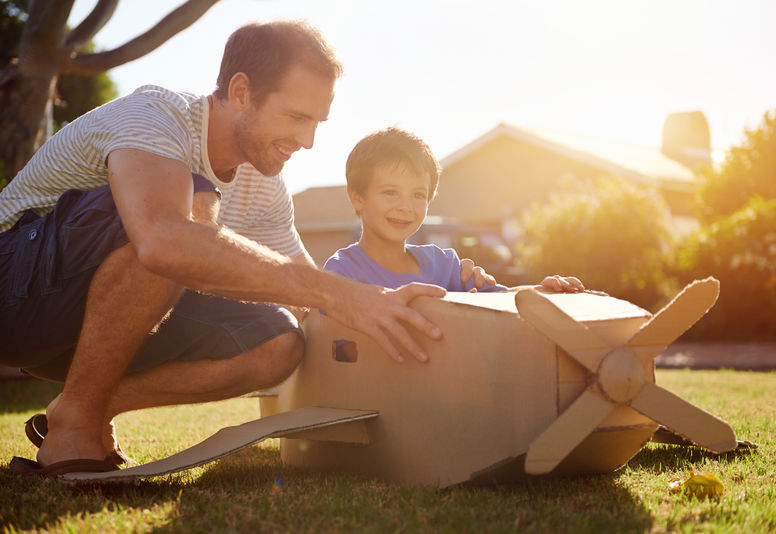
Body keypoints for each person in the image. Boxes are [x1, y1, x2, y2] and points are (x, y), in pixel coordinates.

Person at [0, 22, 485, 477]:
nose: (308, 140)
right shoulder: (156, 117)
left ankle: (84, 406)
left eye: (317, 121)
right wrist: (338, 294)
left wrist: (391, 315)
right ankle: (76, 430)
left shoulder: (264, 186)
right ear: (240, 92)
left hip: (88, 333)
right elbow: (164, 240)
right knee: (182, 218)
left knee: (279, 338)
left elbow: (307, 294)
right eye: (296, 116)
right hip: (13, 299)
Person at [324, 127, 585, 294]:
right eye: (391, 192)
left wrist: (539, 291)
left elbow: (502, 300)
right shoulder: (342, 273)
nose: (405, 206)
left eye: (418, 194)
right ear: (357, 197)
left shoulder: (444, 264)